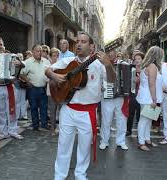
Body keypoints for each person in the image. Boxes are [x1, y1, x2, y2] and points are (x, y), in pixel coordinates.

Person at [45, 32, 116, 180]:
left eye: (83, 41)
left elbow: (112, 80)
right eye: (77, 41)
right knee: (63, 145)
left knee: (84, 147)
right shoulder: (68, 61)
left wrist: (108, 65)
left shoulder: (99, 64)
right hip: (68, 109)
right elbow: (48, 70)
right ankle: (59, 175)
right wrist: (54, 76)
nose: (78, 44)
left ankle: (80, 174)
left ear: (91, 47)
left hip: (87, 112)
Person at [99, 49, 129, 150]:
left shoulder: (123, 64)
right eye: (109, 52)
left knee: (121, 120)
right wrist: (100, 86)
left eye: (113, 51)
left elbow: (130, 78)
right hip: (107, 96)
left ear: (116, 53)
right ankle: (104, 140)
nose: (111, 53)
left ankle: (121, 141)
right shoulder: (101, 65)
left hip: (120, 97)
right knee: (106, 120)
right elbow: (98, 79)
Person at [136, 46, 164, 151]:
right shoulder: (152, 66)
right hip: (148, 97)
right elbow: (151, 84)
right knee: (144, 120)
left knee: (148, 120)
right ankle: (141, 142)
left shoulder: (146, 65)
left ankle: (147, 139)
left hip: (146, 96)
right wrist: (154, 99)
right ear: (157, 55)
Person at [20, 44, 51, 131]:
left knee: (43, 107)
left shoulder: (46, 62)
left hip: (43, 88)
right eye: (37, 51)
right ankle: (35, 125)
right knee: (33, 107)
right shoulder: (27, 62)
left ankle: (44, 124)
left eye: (41, 50)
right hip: (32, 88)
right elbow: (22, 74)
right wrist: (28, 81)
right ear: (33, 52)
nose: (40, 52)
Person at [126, 52, 143, 136]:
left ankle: (140, 132)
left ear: (142, 59)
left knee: (140, 115)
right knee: (131, 113)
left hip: (142, 94)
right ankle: (128, 130)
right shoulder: (131, 69)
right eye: (135, 59)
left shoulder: (145, 69)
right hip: (133, 94)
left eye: (139, 59)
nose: (137, 61)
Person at [47, 47, 60, 135]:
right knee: (52, 110)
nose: (55, 58)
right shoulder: (47, 66)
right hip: (51, 91)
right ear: (51, 57)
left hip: (60, 91)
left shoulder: (61, 65)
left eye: (57, 56)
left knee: (61, 110)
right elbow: (45, 79)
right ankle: (52, 128)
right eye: (54, 56)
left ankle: (61, 127)